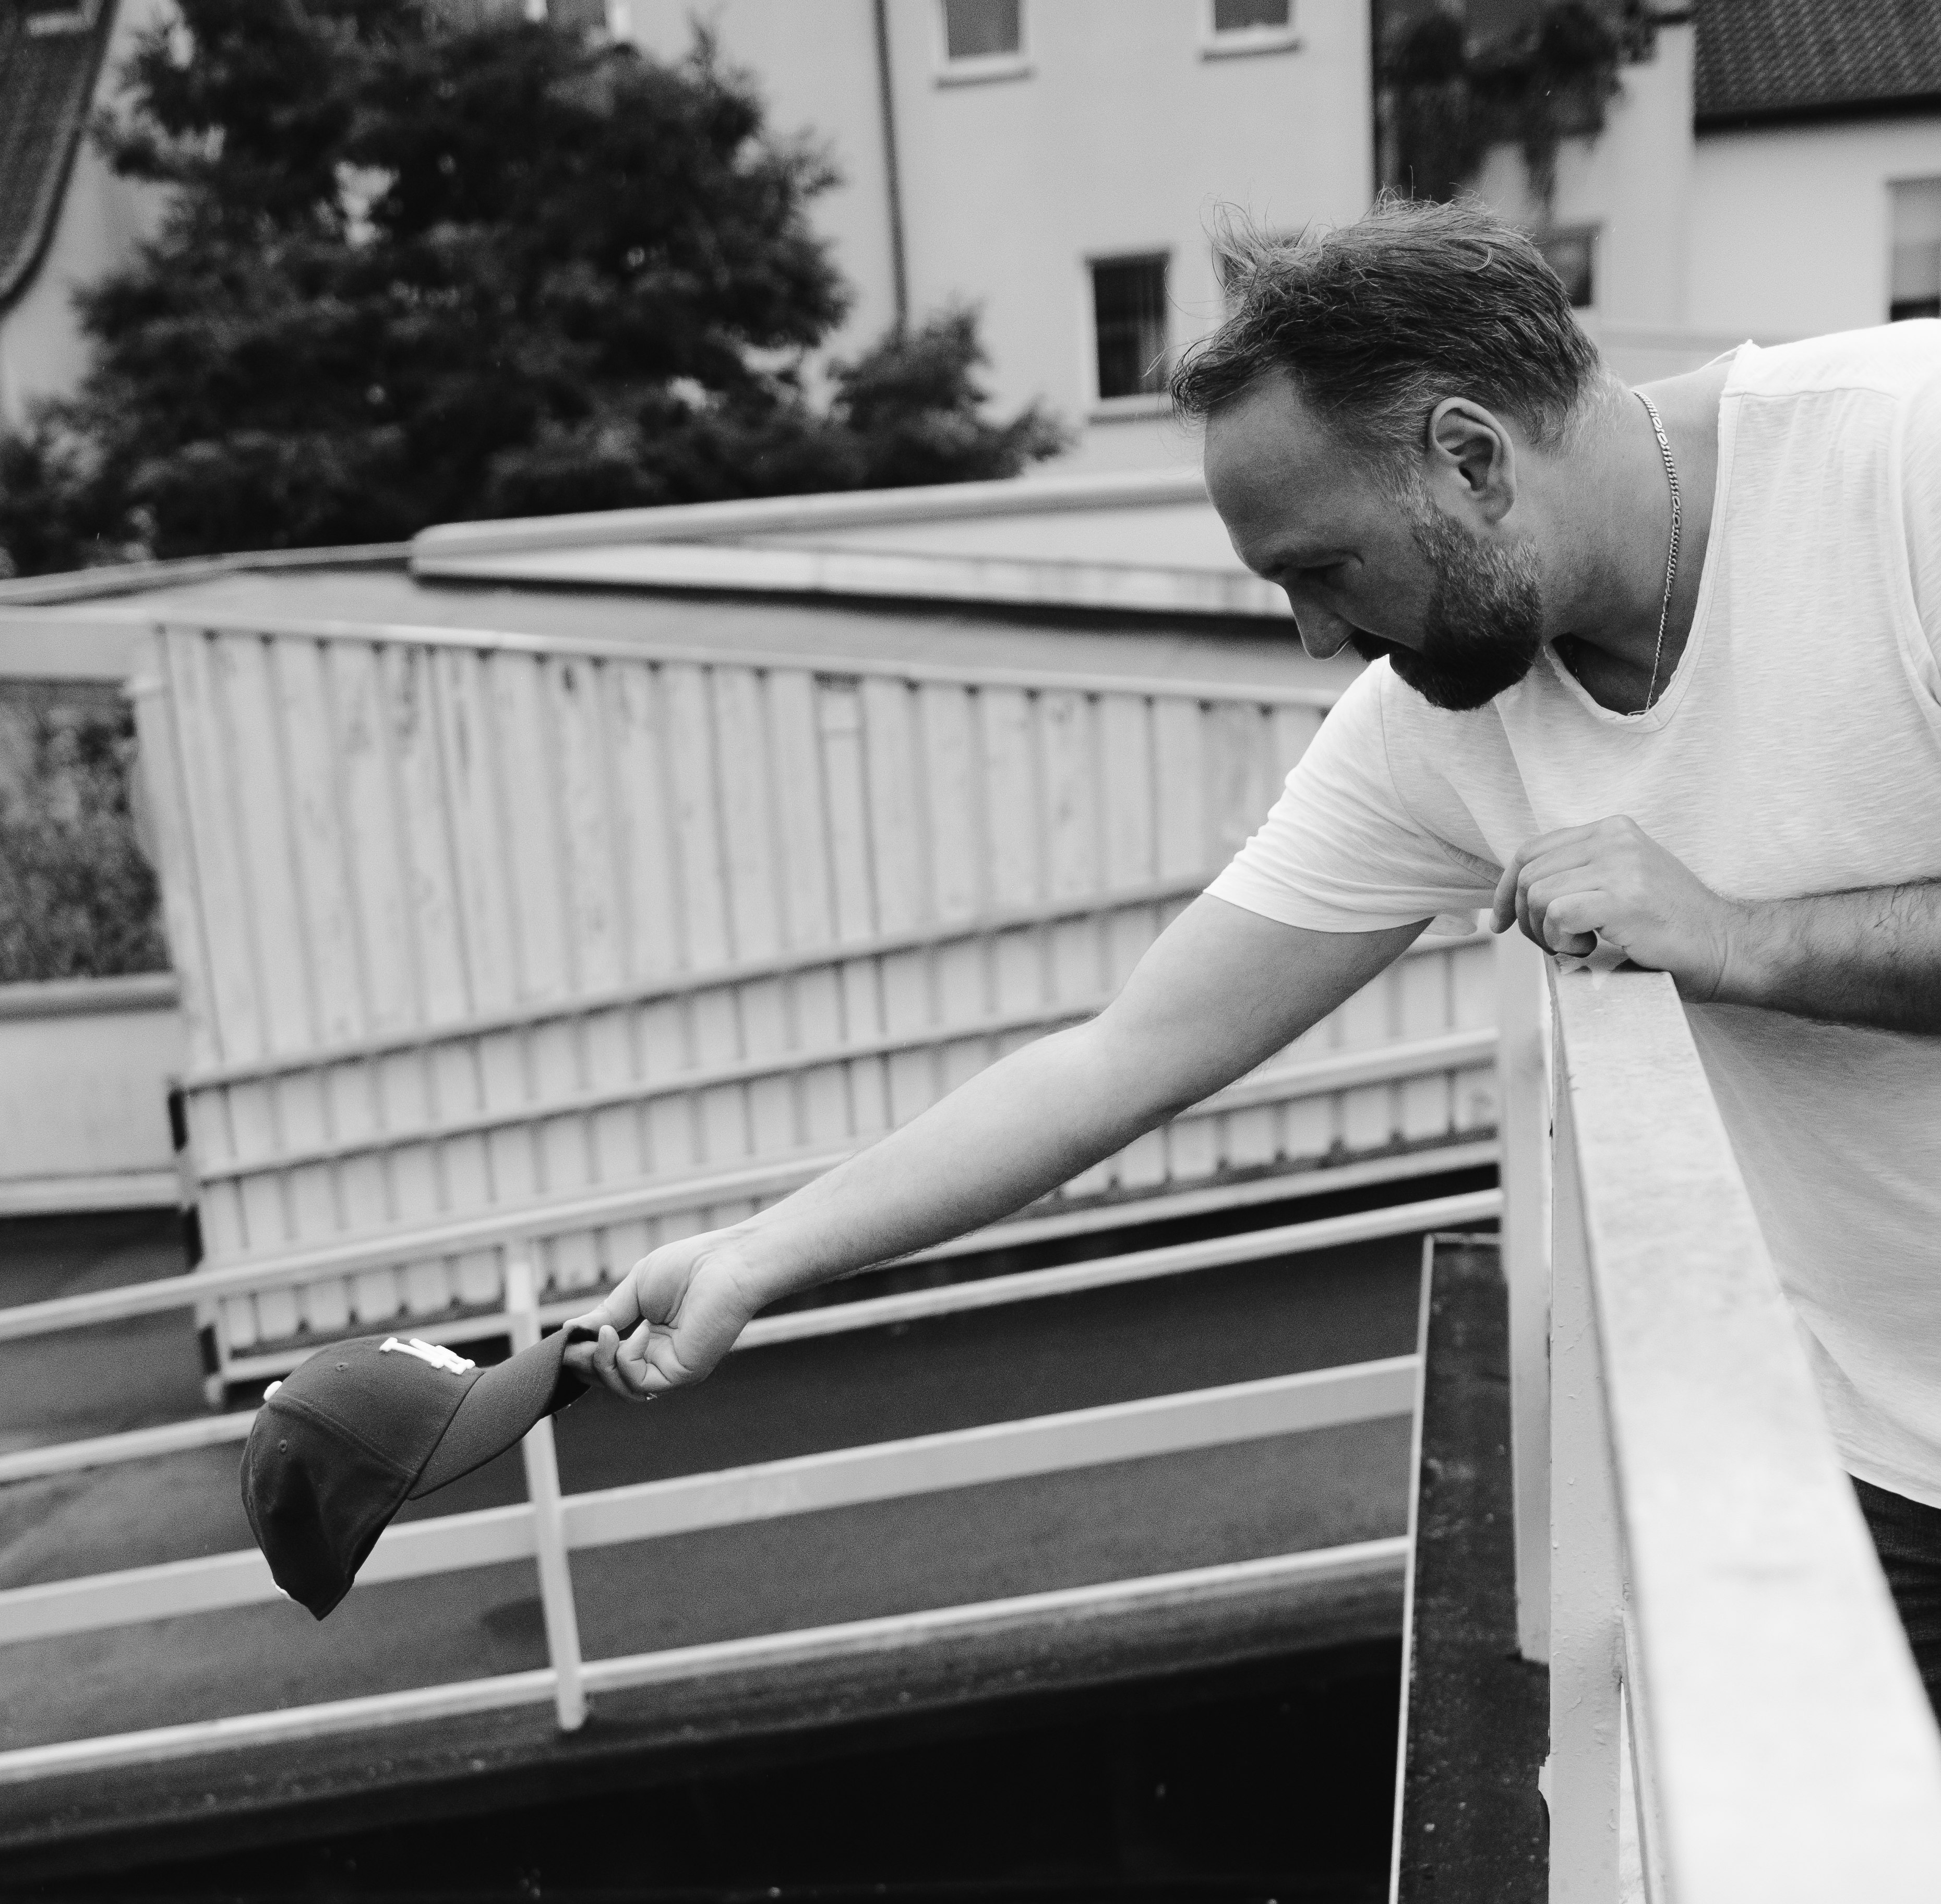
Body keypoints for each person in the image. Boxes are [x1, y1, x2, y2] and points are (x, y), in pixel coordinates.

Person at [563, 199, 1941, 1716]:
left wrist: (1744, 940)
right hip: (1872, 1462)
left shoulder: (1902, 468)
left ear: (1470, 458)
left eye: (1324, 566)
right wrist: (757, 1260)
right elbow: (1126, 1054)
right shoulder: (1442, 720)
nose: (1310, 635)